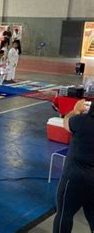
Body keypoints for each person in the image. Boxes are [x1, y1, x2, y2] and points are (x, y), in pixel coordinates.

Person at [53, 99, 94, 232]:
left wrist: (76, 110)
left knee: (64, 214)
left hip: (75, 178)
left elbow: (66, 123)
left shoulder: (82, 121)